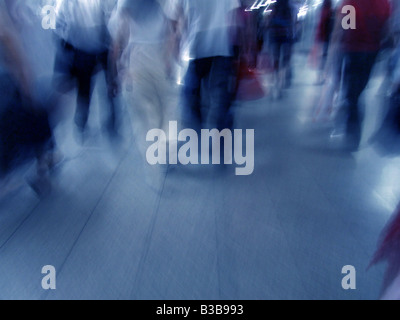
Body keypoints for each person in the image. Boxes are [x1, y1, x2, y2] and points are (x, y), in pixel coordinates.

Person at [0, 2, 55, 196]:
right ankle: (36, 168)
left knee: (34, 118)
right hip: (11, 77)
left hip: (20, 74)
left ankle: (42, 164)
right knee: (29, 119)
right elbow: (7, 36)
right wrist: (25, 75)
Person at [53, 0, 119, 141]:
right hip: (97, 49)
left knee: (86, 91)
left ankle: (84, 124)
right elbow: (112, 21)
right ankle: (108, 123)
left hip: (85, 50)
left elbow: (59, 25)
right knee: (103, 89)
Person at [331, 0, 391, 151]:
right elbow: (386, 30)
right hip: (372, 52)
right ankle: (352, 130)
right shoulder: (384, 3)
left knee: (352, 94)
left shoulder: (350, 2)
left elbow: (345, 28)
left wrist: (336, 48)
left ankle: (352, 132)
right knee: (358, 91)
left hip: (352, 51)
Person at [177, 0, 240, 131]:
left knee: (191, 95)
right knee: (221, 98)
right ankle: (221, 139)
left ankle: (197, 131)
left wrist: (180, 45)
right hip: (221, 46)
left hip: (197, 46)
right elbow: (233, 19)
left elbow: (181, 19)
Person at [265, 0, 296, 99]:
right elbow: (292, 24)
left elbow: (268, 23)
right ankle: (280, 88)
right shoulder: (289, 8)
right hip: (286, 38)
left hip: (275, 37)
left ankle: (272, 86)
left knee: (275, 62)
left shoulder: (274, 7)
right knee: (284, 63)